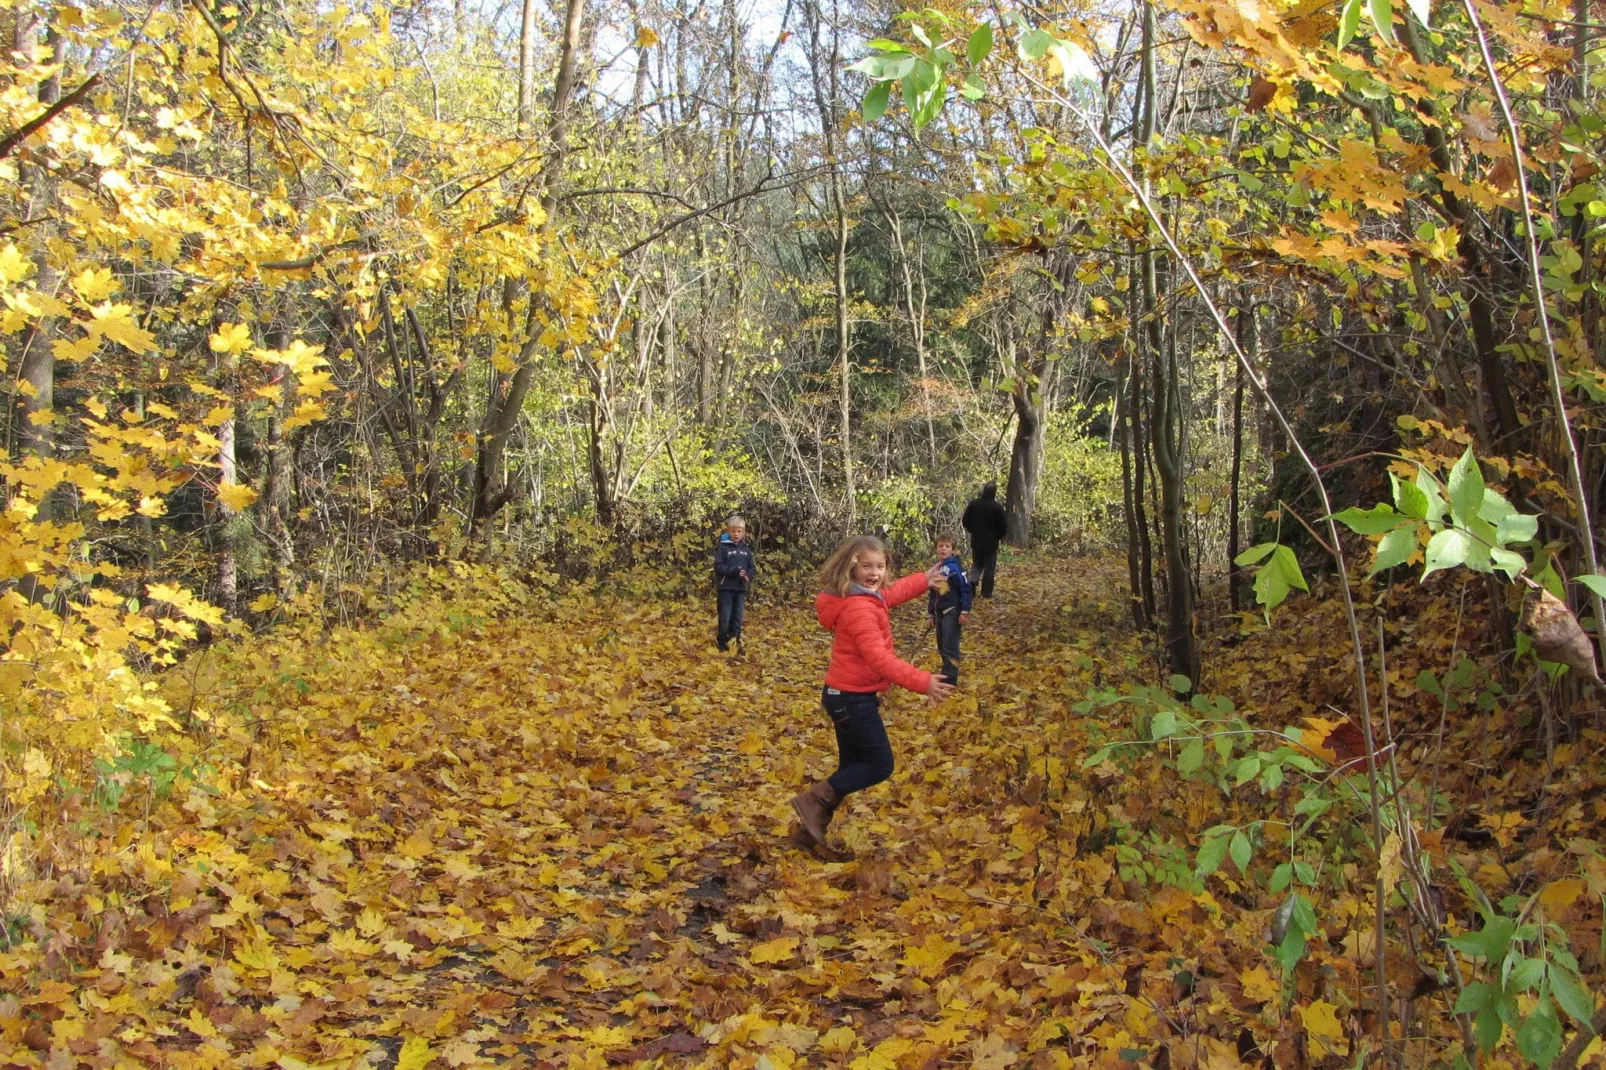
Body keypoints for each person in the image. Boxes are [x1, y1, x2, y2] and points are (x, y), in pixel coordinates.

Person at [791, 535, 955, 861]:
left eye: (880, 566)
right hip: (852, 700)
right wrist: (922, 681)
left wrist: (924, 580)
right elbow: (879, 659)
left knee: (851, 768)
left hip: (843, 696)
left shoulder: (864, 597)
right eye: (867, 566)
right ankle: (812, 803)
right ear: (852, 567)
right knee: (879, 765)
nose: (875, 572)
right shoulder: (858, 610)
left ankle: (808, 834)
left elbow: (890, 595)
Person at [927, 534, 973, 685]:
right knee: (941, 647)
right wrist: (930, 614)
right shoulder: (937, 568)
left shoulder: (955, 568)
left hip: (952, 612)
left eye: (947, 546)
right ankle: (946, 676)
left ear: (953, 550)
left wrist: (965, 610)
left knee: (950, 648)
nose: (943, 549)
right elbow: (934, 592)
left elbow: (966, 588)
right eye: (940, 546)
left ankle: (950, 681)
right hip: (939, 613)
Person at [712, 515, 755, 652]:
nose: (736, 534)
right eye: (733, 531)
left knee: (738, 616)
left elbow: (751, 567)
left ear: (743, 533)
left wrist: (748, 575)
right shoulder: (723, 549)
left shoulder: (746, 551)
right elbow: (718, 567)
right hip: (726, 588)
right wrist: (733, 571)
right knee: (725, 615)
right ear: (728, 532)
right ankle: (722, 641)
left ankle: (734, 640)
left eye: (739, 531)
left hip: (740, 589)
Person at [961, 481, 1008, 599]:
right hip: (991, 543)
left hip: (976, 540)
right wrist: (997, 536)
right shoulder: (997, 508)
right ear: (994, 493)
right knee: (989, 568)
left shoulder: (974, 504)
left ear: (983, 490)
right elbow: (1004, 527)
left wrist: (973, 531)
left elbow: (965, 521)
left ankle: (973, 581)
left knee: (977, 563)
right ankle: (985, 594)